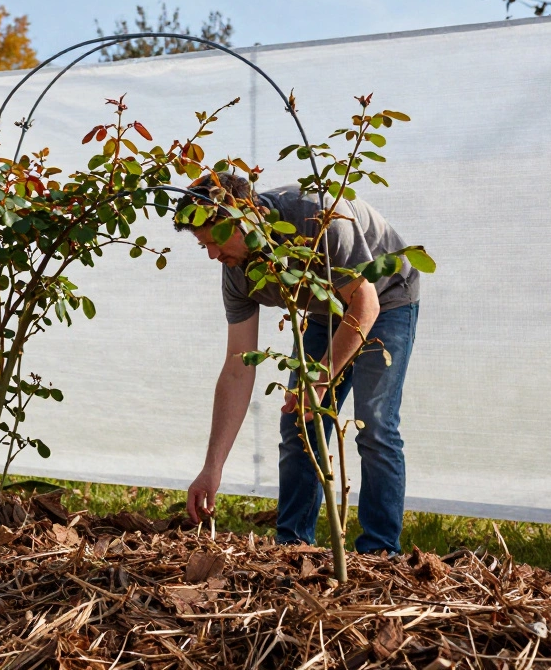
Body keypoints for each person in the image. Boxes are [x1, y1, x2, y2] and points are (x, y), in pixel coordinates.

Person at [177, 173, 420, 556]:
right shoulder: (237, 270)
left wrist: (320, 380)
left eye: (215, 240)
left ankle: (379, 552)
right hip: (324, 309)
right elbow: (238, 365)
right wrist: (212, 467)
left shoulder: (317, 217)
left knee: (374, 424)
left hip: (385, 297)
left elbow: (365, 304)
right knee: (299, 421)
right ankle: (293, 546)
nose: (212, 255)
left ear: (247, 215)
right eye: (202, 245)